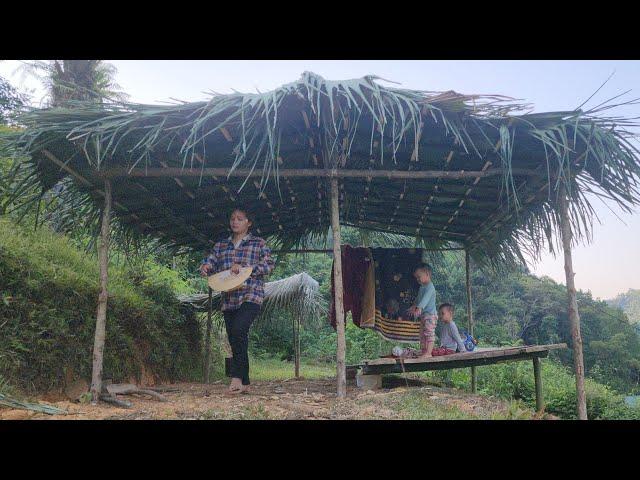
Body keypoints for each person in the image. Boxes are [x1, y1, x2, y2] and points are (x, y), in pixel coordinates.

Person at [199, 207, 274, 394]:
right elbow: (210, 262)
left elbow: (269, 264)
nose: (235, 222)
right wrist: (206, 267)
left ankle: (236, 378)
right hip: (229, 297)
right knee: (235, 337)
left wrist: (245, 269)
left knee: (239, 330)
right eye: (232, 218)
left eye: (240, 219)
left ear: (249, 222)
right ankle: (245, 382)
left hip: (251, 294)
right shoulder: (221, 246)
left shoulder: (258, 243)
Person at [406, 263, 437, 359]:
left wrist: (419, 308)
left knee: (429, 333)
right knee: (422, 334)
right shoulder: (422, 287)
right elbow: (419, 299)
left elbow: (425, 299)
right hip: (424, 316)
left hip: (430, 315)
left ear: (427, 274)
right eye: (416, 278)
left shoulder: (430, 287)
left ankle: (428, 352)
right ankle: (424, 351)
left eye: (419, 277)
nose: (418, 280)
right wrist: (414, 306)